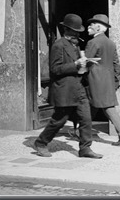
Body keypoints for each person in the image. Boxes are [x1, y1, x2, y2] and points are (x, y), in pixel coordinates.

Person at [33, 14, 103, 159]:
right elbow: (55, 69)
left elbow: (75, 66)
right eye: (74, 30)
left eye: (78, 31)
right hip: (64, 89)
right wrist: (75, 64)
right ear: (66, 30)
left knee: (86, 118)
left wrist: (85, 65)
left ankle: (85, 148)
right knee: (59, 120)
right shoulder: (59, 45)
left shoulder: (75, 44)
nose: (77, 33)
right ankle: (41, 142)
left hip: (78, 88)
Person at [84, 14, 120, 146]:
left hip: (94, 82)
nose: (88, 26)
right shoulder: (111, 43)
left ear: (98, 27)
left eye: (91, 24)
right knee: (94, 108)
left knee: (104, 109)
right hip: (108, 82)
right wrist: (115, 82)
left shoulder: (92, 42)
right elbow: (116, 65)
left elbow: (86, 63)